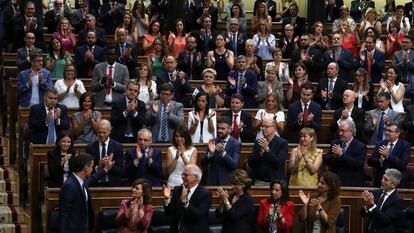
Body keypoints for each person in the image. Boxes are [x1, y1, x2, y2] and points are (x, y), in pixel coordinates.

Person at [58, 153, 114, 233]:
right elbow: (63, 214)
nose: (92, 169)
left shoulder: (80, 181)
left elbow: (93, 178)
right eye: (91, 166)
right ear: (86, 167)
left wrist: (106, 169)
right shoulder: (69, 186)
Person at [162, 164, 212, 233]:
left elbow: (198, 216)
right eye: (182, 174)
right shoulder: (177, 190)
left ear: (195, 178)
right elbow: (169, 212)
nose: (182, 177)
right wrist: (167, 198)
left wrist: (185, 203)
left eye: (185, 175)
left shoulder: (205, 194)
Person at [324, 120, 367, 187]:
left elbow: (357, 164)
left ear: (351, 132)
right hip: (335, 182)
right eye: (339, 130)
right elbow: (326, 160)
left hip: (352, 183)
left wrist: (341, 155)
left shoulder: (360, 146)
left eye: (343, 131)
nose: (340, 133)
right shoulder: (335, 143)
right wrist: (334, 156)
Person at [361, 168, 405, 233]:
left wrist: (372, 205)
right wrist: (366, 207)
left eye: (386, 180)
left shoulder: (397, 200)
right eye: (383, 178)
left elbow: (384, 220)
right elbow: (363, 214)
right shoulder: (377, 192)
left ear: (394, 185)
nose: (382, 181)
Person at [368, 123, 411, 188]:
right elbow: (370, 161)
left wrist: (388, 156)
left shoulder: (405, 145)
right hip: (381, 180)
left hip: (397, 181)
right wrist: (380, 160)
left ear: (398, 133)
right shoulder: (380, 144)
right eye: (386, 130)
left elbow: (403, 164)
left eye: (390, 131)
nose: (387, 133)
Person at [201, 116, 241, 185]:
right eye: (218, 128)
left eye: (222, 129)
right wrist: (210, 154)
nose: (219, 130)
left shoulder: (236, 144)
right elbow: (203, 163)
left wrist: (223, 153)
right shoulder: (213, 142)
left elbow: (234, 165)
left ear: (230, 130)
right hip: (212, 182)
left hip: (227, 182)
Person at [248, 118, 288, 185]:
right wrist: (261, 154)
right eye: (262, 127)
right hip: (259, 181)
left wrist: (267, 150)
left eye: (266, 126)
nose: (263, 129)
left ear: (274, 128)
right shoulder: (258, 142)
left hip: (276, 182)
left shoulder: (282, 143)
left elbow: (278, 163)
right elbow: (250, 163)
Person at [85, 119, 124, 187]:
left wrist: (110, 165)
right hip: (95, 183)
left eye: (104, 132)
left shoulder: (117, 147)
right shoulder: (90, 148)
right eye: (99, 132)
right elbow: (86, 170)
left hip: (112, 184)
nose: (101, 135)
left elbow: (121, 171)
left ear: (109, 131)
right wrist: (98, 167)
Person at [215, 169, 254, 233]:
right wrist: (221, 203)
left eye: (235, 184)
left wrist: (226, 201)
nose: (232, 186)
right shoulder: (231, 196)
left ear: (243, 185)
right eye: (232, 183)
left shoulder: (248, 199)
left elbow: (234, 216)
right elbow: (218, 215)